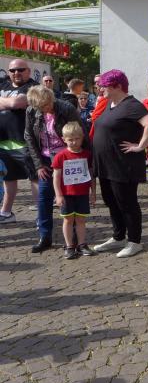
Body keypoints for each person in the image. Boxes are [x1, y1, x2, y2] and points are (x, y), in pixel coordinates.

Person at [91, 70, 148, 258]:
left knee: (127, 203)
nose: (100, 89)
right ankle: (118, 236)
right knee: (111, 201)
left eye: (104, 86)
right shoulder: (110, 104)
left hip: (123, 165)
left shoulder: (132, 105)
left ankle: (134, 241)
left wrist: (141, 146)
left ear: (118, 86)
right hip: (106, 165)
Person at [24, 85, 81, 253]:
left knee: (70, 197)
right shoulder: (31, 111)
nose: (47, 108)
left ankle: (74, 236)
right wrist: (38, 165)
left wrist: (81, 159)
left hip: (68, 158)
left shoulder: (66, 109)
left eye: (49, 103)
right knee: (43, 198)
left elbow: (80, 133)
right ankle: (45, 236)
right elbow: (29, 136)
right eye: (42, 106)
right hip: (46, 160)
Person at [0, 58, 39, 224]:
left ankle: (42, 217)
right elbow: (12, 104)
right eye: (12, 70)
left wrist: (7, 102)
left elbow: (17, 103)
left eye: (21, 70)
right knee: (8, 179)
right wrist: (8, 103)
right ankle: (6, 213)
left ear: (28, 71)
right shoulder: (3, 84)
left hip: (26, 142)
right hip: (3, 142)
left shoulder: (34, 88)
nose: (16, 73)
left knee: (35, 179)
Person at [52, 121, 96, 259]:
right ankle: (69, 246)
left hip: (82, 193)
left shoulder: (87, 155)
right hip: (67, 195)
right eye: (70, 139)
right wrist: (58, 195)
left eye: (77, 139)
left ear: (82, 138)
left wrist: (93, 192)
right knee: (68, 220)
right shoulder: (61, 156)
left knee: (81, 220)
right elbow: (56, 177)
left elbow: (91, 175)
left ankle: (82, 244)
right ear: (64, 139)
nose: (74, 142)